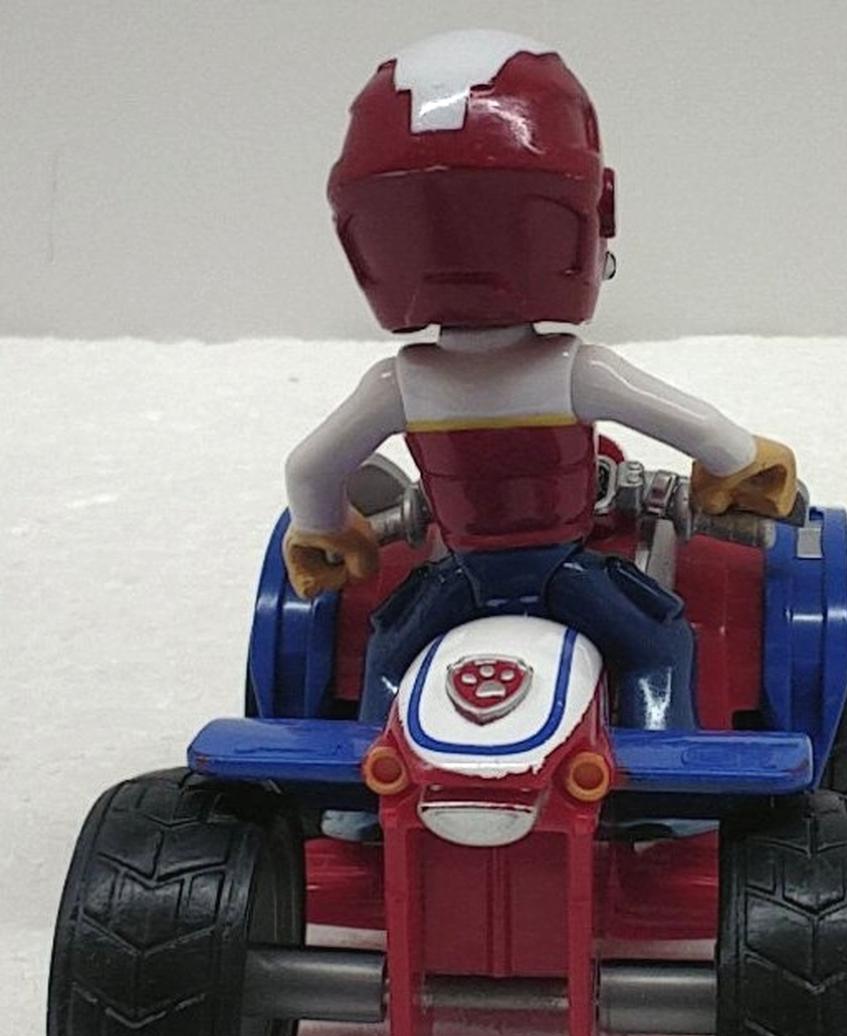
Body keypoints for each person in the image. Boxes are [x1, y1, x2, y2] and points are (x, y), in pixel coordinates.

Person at [283, 30, 797, 729]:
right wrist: (744, 463)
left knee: (391, 652)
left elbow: (309, 468)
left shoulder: (400, 384)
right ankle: (663, 772)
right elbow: (702, 430)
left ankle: (366, 771)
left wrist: (327, 530)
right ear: (588, 213)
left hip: (461, 576)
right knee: (657, 647)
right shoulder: (577, 372)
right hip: (566, 572)